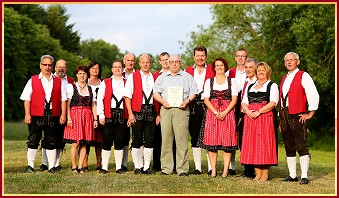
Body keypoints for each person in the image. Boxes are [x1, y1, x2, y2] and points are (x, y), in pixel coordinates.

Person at [20, 55, 67, 173]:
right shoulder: (33, 80)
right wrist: (27, 114)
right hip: (36, 114)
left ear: (52, 66)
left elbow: (63, 99)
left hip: (53, 114)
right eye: (45, 65)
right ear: (40, 65)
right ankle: (30, 165)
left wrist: (63, 115)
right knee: (33, 139)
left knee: (51, 141)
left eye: (49, 65)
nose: (47, 67)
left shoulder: (58, 81)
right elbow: (27, 98)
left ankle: (51, 166)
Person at [153, 54, 199, 176]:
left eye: (176, 62)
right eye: (171, 61)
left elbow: (194, 92)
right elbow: (155, 93)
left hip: (181, 110)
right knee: (166, 140)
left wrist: (187, 101)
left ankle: (182, 169)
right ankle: (166, 168)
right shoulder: (162, 78)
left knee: (181, 140)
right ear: (168, 63)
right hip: (166, 110)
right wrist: (163, 102)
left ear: (180, 62)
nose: (174, 64)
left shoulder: (187, 77)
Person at [279, 52, 319, 185]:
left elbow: (312, 93)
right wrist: (281, 118)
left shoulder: (303, 75)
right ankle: (292, 175)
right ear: (285, 63)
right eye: (287, 60)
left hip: (297, 115)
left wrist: (310, 112)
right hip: (285, 115)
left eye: (292, 60)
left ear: (298, 62)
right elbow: (281, 99)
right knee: (289, 145)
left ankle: (304, 176)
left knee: (301, 145)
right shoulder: (284, 78)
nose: (289, 62)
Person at [198, 58, 238, 178]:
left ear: (225, 67)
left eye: (221, 65)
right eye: (217, 65)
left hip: (228, 112)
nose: (219, 67)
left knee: (227, 143)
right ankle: (214, 170)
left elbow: (234, 99)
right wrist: (216, 112)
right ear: (214, 68)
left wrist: (225, 112)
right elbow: (206, 99)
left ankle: (226, 170)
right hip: (212, 113)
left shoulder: (232, 81)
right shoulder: (209, 82)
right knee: (212, 143)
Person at [240, 62, 279, 181]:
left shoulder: (272, 85)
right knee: (253, 144)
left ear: (268, 72)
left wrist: (259, 112)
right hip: (250, 118)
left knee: (265, 143)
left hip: (265, 117)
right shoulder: (250, 85)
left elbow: (273, 103)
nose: (261, 72)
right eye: (259, 70)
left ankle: (265, 173)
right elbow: (244, 101)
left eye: (263, 70)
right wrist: (247, 111)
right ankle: (257, 173)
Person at [123, 54, 159, 174]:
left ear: (150, 63)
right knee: (137, 139)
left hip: (151, 111)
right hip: (137, 111)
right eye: (143, 62)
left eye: (147, 62)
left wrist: (158, 114)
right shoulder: (133, 76)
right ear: (139, 63)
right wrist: (130, 114)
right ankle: (137, 166)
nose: (145, 64)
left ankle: (146, 167)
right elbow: (127, 96)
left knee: (150, 140)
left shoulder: (155, 77)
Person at [185, 46, 215, 175]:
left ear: (206, 57)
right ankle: (198, 167)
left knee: (209, 137)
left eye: (202, 55)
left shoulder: (212, 70)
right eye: (198, 55)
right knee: (195, 137)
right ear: (194, 57)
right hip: (192, 107)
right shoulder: (187, 71)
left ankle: (210, 167)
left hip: (208, 106)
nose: (200, 58)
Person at [40, 59, 74, 172]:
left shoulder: (70, 81)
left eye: (63, 67)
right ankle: (44, 163)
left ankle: (56, 163)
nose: (61, 69)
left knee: (60, 139)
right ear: (55, 68)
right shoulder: (50, 79)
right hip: (49, 112)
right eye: (59, 66)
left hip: (64, 113)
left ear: (66, 68)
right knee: (47, 138)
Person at [63, 66, 98, 173]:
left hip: (87, 116)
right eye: (80, 73)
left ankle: (80, 166)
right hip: (75, 115)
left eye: (84, 74)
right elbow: (68, 103)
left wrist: (95, 119)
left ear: (87, 75)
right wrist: (68, 118)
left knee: (84, 143)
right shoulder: (71, 87)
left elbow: (93, 105)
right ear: (77, 75)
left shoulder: (91, 88)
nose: (82, 76)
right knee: (75, 143)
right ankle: (74, 166)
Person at [97, 60, 128, 174]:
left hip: (122, 115)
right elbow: (100, 98)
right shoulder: (105, 82)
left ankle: (118, 167)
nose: (117, 69)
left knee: (119, 141)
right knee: (107, 141)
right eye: (115, 67)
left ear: (122, 68)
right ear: (111, 69)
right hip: (108, 114)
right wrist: (101, 115)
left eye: (119, 67)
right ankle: (104, 167)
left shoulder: (127, 82)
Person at [226, 48, 248, 175]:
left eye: (243, 56)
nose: (240, 58)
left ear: (246, 57)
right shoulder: (230, 72)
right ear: (235, 58)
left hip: (246, 105)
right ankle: (231, 166)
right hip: (233, 105)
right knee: (232, 135)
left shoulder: (251, 71)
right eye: (238, 56)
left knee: (245, 136)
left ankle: (247, 166)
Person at [237, 58, 257, 178]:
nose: (248, 69)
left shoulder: (257, 82)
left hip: (253, 114)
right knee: (243, 142)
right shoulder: (246, 81)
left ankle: (252, 170)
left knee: (251, 142)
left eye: (250, 67)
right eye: (246, 67)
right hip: (244, 114)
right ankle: (247, 169)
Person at [83, 61, 103, 172]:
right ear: (88, 69)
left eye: (97, 68)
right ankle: (85, 164)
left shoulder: (103, 82)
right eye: (92, 68)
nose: (95, 70)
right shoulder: (85, 82)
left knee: (99, 141)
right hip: (87, 113)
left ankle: (99, 164)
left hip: (99, 112)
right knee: (87, 140)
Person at [152, 52, 170, 172]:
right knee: (157, 139)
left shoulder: (176, 75)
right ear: (159, 61)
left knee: (171, 140)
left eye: (167, 59)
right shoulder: (155, 76)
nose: (165, 61)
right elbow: (154, 96)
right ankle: (157, 165)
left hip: (174, 110)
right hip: (159, 111)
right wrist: (158, 114)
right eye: (163, 60)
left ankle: (171, 164)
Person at [121, 52, 138, 171]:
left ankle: (139, 163)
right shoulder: (118, 74)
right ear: (124, 62)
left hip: (137, 110)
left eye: (132, 60)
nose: (130, 63)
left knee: (137, 137)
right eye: (128, 60)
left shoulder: (139, 74)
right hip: (123, 110)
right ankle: (124, 163)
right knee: (124, 137)